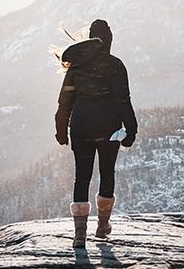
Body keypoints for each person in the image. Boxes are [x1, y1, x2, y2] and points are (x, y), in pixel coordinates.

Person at [54, 19, 138, 249]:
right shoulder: (116, 65)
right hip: (109, 129)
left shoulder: (76, 67)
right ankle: (102, 227)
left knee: (82, 177)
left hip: (81, 128)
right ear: (108, 40)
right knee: (107, 173)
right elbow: (123, 101)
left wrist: (61, 131)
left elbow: (65, 102)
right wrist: (131, 130)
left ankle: (80, 235)